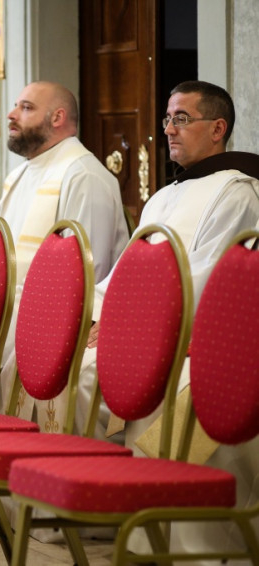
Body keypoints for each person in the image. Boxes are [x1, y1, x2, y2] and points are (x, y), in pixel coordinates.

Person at [85, 81, 259, 558]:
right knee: (75, 365)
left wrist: (134, 329)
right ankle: (91, 513)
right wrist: (99, 316)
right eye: (167, 119)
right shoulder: (164, 196)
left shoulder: (238, 192)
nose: (168, 129)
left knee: (170, 392)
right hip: (146, 330)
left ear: (218, 129)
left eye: (181, 118)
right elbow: (128, 271)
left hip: (196, 338)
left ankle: (182, 541)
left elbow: (212, 277)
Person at [0, 81, 129, 422]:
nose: (12, 115)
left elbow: (89, 272)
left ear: (58, 117)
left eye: (26, 108)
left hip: (50, 319)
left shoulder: (83, 176)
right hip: (10, 310)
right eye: (16, 105)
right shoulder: (19, 175)